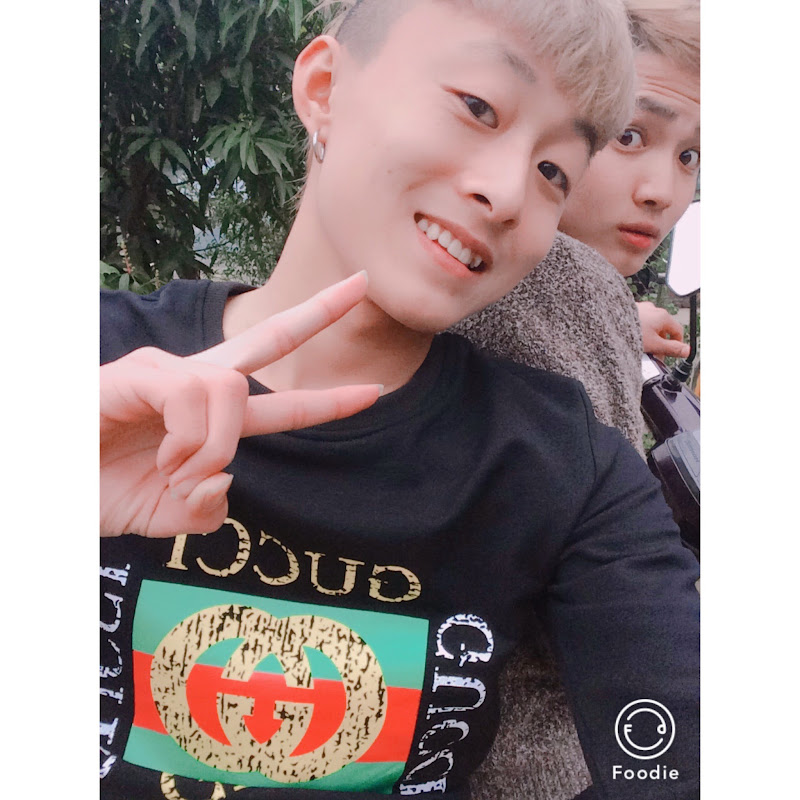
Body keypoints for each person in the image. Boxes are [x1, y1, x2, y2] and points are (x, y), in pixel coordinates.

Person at [100, 1, 699, 798]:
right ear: (324, 87)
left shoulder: (568, 470)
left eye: (553, 170)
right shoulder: (92, 371)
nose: (507, 194)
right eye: (477, 107)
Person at [453, 3, 700, 797]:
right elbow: (620, 602)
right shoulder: (562, 280)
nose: (663, 192)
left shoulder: (472, 269)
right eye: (630, 136)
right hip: (545, 757)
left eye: (691, 156)